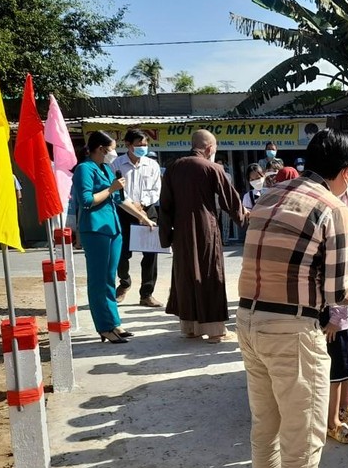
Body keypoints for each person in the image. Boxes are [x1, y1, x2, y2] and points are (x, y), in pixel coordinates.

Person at [237, 128, 348, 468]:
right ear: (347, 172)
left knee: (266, 429)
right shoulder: (331, 208)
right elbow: (337, 291)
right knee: (303, 440)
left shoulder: (269, 196)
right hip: (292, 332)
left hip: (248, 320)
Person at [158, 130, 243, 343]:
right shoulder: (212, 168)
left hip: (181, 231)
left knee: (185, 275)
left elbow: (165, 205)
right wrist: (246, 220)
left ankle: (190, 328)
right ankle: (215, 331)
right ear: (209, 148)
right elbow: (230, 202)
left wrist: (165, 235)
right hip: (205, 229)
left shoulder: (173, 168)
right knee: (209, 274)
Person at [72, 131, 147, 343]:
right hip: (95, 230)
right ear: (100, 149)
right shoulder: (84, 169)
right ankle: (104, 326)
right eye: (111, 148)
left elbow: (120, 199)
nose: (114, 152)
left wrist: (143, 218)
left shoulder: (105, 168)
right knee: (99, 280)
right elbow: (87, 200)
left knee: (109, 277)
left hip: (113, 228)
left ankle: (114, 323)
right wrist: (111, 188)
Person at [112, 128, 163, 307]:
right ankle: (124, 282)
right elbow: (115, 190)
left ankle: (147, 294)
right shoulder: (116, 164)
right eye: (139, 144)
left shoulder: (152, 165)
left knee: (151, 253)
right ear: (128, 145)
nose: (143, 147)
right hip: (123, 212)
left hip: (147, 212)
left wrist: (142, 203)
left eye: (145, 144)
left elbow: (156, 190)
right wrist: (131, 205)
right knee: (121, 253)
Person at [322, 304, 348, 445]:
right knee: (335, 375)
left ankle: (342, 408)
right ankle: (333, 422)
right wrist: (334, 320)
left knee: (345, 369)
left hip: (341, 321)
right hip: (330, 321)